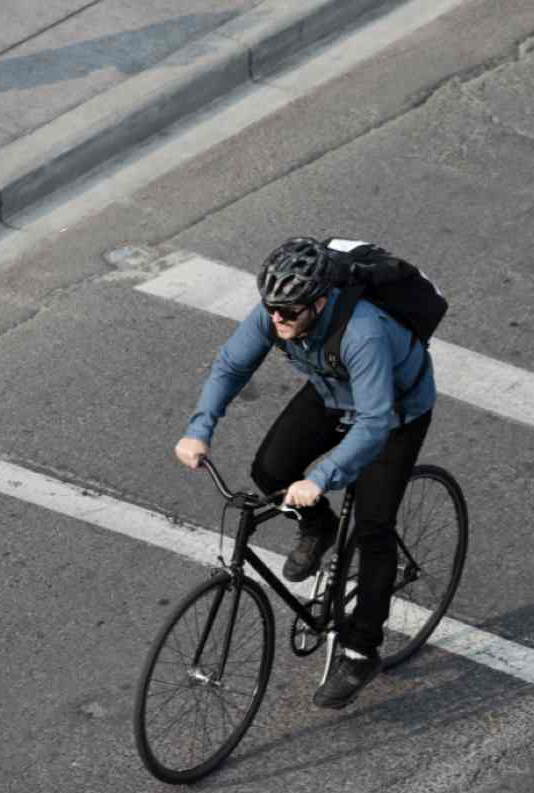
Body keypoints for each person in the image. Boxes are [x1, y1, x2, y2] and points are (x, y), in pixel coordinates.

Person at [173, 236, 435, 708]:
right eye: (271, 307)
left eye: (288, 311)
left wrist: (321, 478)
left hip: (394, 413)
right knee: (270, 469)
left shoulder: (363, 333)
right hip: (332, 389)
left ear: (319, 302)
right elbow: (231, 365)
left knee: (373, 527)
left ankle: (361, 651)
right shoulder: (277, 313)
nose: (277, 318)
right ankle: (319, 528)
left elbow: (374, 423)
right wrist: (199, 429)